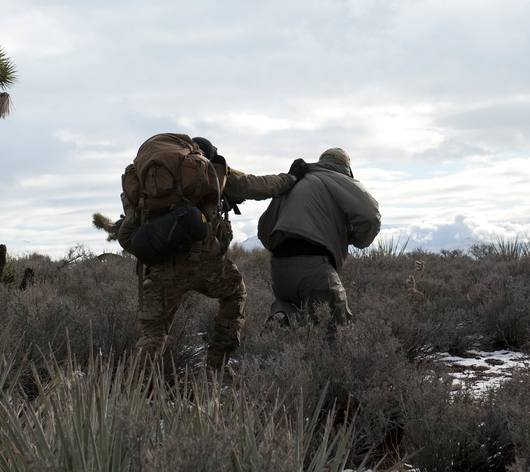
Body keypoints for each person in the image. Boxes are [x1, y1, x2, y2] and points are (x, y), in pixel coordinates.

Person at [115, 136, 307, 371]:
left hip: (160, 268)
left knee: (154, 332)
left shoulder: (150, 185)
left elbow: (128, 231)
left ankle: (137, 390)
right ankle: (216, 366)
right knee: (235, 294)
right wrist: (291, 178)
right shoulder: (210, 173)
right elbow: (259, 186)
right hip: (204, 264)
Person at [257, 147, 381, 334]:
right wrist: (357, 240)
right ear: (345, 167)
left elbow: (264, 229)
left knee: (293, 315)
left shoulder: (295, 182)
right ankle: (331, 361)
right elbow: (371, 216)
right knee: (336, 329)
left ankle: (283, 316)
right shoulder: (339, 179)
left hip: (280, 270)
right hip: (314, 267)